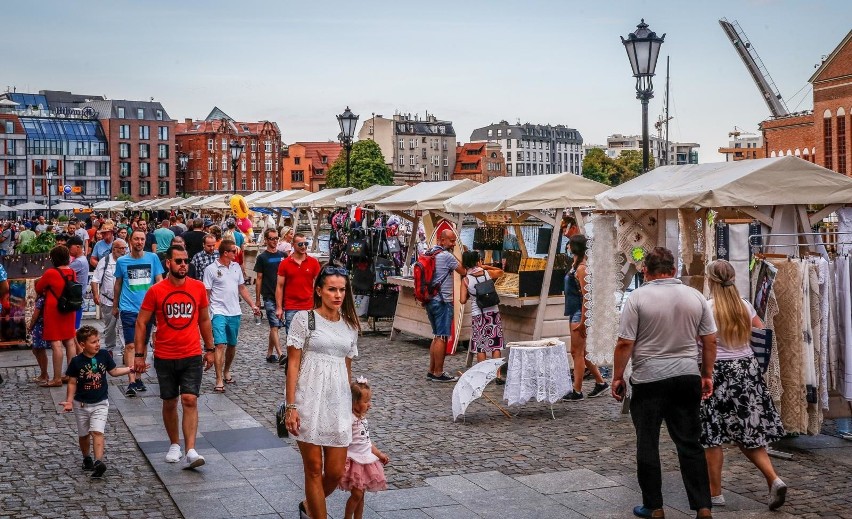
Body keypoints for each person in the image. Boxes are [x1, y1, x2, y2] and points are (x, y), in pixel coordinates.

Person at [611, 247, 716, 519]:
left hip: (649, 379)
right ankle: (703, 506)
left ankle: (654, 506)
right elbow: (709, 340)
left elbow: (625, 342)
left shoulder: (637, 298)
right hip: (686, 375)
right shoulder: (695, 297)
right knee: (690, 442)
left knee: (648, 442)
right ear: (674, 269)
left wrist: (617, 376)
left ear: (646, 270)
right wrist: (707, 374)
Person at [701, 260, 787, 510]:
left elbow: (704, 344)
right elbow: (761, 335)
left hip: (717, 373)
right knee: (749, 433)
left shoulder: (707, 308)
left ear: (710, 280)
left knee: (711, 435)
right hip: (747, 371)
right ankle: (774, 478)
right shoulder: (744, 305)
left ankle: (715, 494)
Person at [284, 265, 360, 519]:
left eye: (342, 290)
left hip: (337, 402)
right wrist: (291, 406)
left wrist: (353, 408)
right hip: (308, 399)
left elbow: (347, 368)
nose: (337, 295)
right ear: (319, 290)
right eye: (331, 289)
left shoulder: (350, 325)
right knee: (314, 469)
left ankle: (309, 505)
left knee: (336, 472)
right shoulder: (305, 319)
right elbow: (293, 364)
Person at [135, 245, 215, 469]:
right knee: (170, 401)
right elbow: (142, 322)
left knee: (190, 399)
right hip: (165, 354)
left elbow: (204, 320)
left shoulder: (198, 288)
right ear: (168, 263)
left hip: (191, 353)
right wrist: (139, 355)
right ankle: (174, 444)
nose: (183, 265)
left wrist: (210, 349)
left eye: (185, 261)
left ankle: (190, 449)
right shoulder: (156, 291)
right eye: (178, 261)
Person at [59, 326, 135, 479]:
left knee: (97, 432)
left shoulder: (104, 355)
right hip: (81, 404)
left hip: (100, 402)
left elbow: (113, 372)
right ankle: (87, 457)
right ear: (82, 344)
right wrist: (69, 401)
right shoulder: (76, 362)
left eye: (98, 341)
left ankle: (98, 462)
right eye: (93, 342)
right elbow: (72, 383)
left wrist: (130, 369)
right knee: (84, 434)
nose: (97, 344)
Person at [202, 239, 260, 392]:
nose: (237, 253)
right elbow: (206, 294)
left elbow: (242, 288)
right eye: (234, 251)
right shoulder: (211, 269)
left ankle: (226, 370)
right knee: (220, 344)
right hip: (218, 311)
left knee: (232, 345)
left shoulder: (236, 267)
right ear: (225, 253)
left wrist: (253, 305)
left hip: (235, 311)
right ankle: (219, 379)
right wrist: (205, 314)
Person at [113, 229, 164, 397]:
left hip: (147, 309)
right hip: (128, 308)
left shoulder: (153, 258)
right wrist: (115, 305)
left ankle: (139, 377)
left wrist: (160, 305)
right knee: (130, 345)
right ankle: (131, 380)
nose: (139, 242)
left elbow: (158, 282)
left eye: (142, 239)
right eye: (136, 239)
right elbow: (118, 284)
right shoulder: (122, 261)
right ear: (130, 241)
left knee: (142, 344)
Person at [563, 234, 609, 401]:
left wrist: (583, 321)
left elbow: (587, 297)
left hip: (579, 313)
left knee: (577, 352)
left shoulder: (582, 269)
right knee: (584, 351)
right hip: (574, 311)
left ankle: (577, 389)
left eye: (569, 245)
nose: (567, 247)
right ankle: (600, 382)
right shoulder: (576, 266)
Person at [338, 377, 389, 519]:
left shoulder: (362, 419)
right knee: (357, 494)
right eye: (366, 402)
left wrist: (380, 455)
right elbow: (342, 439)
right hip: (355, 462)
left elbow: (367, 442)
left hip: (366, 462)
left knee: (361, 496)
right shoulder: (351, 419)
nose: (369, 405)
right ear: (354, 403)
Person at [424, 229, 466, 382]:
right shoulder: (447, 256)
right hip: (442, 301)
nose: (454, 243)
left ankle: (431, 370)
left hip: (429, 300)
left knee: (436, 336)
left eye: (454, 241)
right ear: (442, 241)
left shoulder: (429, 253)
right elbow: (463, 270)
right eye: (452, 241)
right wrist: (456, 254)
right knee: (442, 337)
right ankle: (438, 373)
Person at [275, 233, 320, 367]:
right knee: (292, 337)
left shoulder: (313, 262)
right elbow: (279, 286)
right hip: (291, 307)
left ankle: (307, 363)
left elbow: (319, 284)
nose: (303, 247)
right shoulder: (285, 264)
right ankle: (294, 364)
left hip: (310, 306)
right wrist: (279, 307)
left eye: (305, 244)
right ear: (293, 245)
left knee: (311, 335)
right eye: (300, 244)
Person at [35, 245, 78, 387]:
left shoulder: (50, 273)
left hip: (54, 309)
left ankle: (57, 378)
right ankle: (71, 376)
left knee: (56, 343)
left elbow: (38, 288)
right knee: (70, 342)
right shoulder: (72, 271)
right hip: (69, 308)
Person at [459, 250, 506, 381]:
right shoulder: (487, 273)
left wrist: (471, 294)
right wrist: (485, 267)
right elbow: (501, 272)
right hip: (493, 312)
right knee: (496, 344)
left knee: (481, 346)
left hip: (478, 314)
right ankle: (498, 375)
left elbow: (462, 300)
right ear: (477, 261)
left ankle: (484, 376)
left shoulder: (466, 280)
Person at [254, 228, 287, 363]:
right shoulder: (262, 257)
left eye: (276, 238)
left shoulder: (283, 255)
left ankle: (269, 354)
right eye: (271, 238)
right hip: (268, 295)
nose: (274, 241)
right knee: (274, 325)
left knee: (276, 326)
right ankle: (280, 354)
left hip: (283, 295)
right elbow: (259, 279)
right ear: (266, 240)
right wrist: (257, 300)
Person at [91, 238, 127, 358]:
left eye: (125, 248)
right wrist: (96, 295)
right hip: (108, 300)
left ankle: (125, 351)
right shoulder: (105, 261)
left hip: (124, 301)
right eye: (121, 248)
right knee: (110, 327)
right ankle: (110, 348)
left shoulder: (127, 260)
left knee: (123, 327)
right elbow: (95, 279)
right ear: (114, 248)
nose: (123, 251)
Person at [67, 236, 89, 332]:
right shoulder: (82, 259)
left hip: (76, 299)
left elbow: (64, 272)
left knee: (73, 330)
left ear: (78, 247)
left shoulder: (79, 262)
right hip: (78, 298)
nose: (69, 250)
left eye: (70, 247)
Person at [27, 294, 50, 384]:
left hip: (39, 327)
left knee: (39, 350)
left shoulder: (41, 300)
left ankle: (44, 374)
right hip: (41, 326)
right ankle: (43, 373)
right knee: (37, 350)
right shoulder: (44, 299)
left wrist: (30, 326)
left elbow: (35, 316)